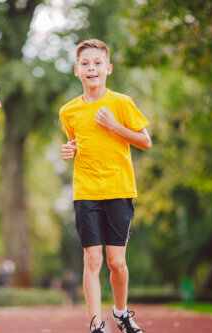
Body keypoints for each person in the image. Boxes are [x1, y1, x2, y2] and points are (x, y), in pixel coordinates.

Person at [59, 39, 151, 333]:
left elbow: (145, 141)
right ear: (77, 71)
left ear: (108, 69)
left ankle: (121, 313)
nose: (91, 68)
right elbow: (76, 142)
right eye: (85, 64)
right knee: (92, 258)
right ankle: (96, 325)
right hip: (86, 191)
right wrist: (69, 150)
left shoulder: (121, 103)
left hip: (119, 190)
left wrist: (115, 127)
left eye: (97, 63)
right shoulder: (68, 112)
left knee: (116, 263)